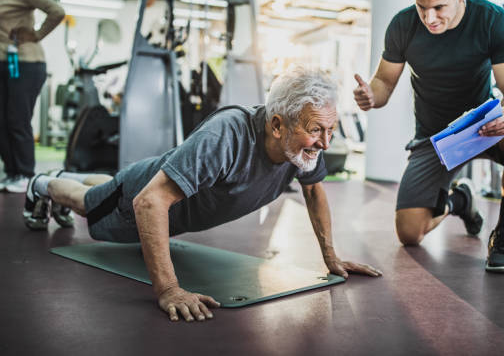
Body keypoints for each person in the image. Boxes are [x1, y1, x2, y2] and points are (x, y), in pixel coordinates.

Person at [25, 67, 383, 321]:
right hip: (139, 194)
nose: (324, 142)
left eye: (331, 129)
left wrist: (330, 257)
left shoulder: (300, 151)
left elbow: (315, 192)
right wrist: (169, 290)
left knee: (108, 184)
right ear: (277, 125)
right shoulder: (228, 136)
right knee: (87, 205)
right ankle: (41, 183)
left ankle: (64, 177)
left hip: (149, 182)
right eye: (316, 129)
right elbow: (149, 201)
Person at [353, 0, 504, 273]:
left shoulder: (492, 20)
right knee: (409, 233)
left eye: (439, 7)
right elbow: (384, 82)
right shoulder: (403, 25)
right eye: (422, 7)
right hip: (435, 138)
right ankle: (460, 201)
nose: (430, 18)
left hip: (484, 128)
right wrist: (371, 95)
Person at [0, 0, 65, 192]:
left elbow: (56, 11)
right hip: (4, 64)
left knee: (17, 119)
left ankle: (26, 175)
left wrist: (36, 34)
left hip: (25, 63)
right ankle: (12, 172)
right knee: (2, 121)